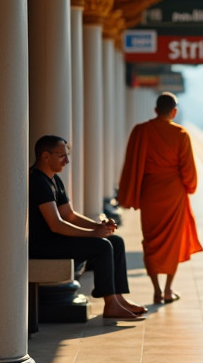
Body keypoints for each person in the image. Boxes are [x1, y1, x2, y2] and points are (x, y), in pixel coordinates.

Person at [29, 135, 147, 321]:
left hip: (57, 239)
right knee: (101, 246)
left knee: (115, 241)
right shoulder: (37, 181)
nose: (67, 161)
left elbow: (69, 215)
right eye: (62, 156)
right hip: (44, 245)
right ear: (45, 156)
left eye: (67, 155)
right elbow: (56, 224)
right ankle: (110, 305)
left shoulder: (54, 180)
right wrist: (93, 234)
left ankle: (118, 298)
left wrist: (99, 226)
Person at [117, 91, 203, 304]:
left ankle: (156, 289)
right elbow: (188, 170)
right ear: (174, 112)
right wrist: (190, 187)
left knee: (151, 241)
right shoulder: (181, 134)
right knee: (173, 242)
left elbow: (131, 164)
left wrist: (129, 193)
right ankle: (167, 289)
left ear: (155, 110)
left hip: (150, 192)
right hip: (174, 194)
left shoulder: (140, 131)